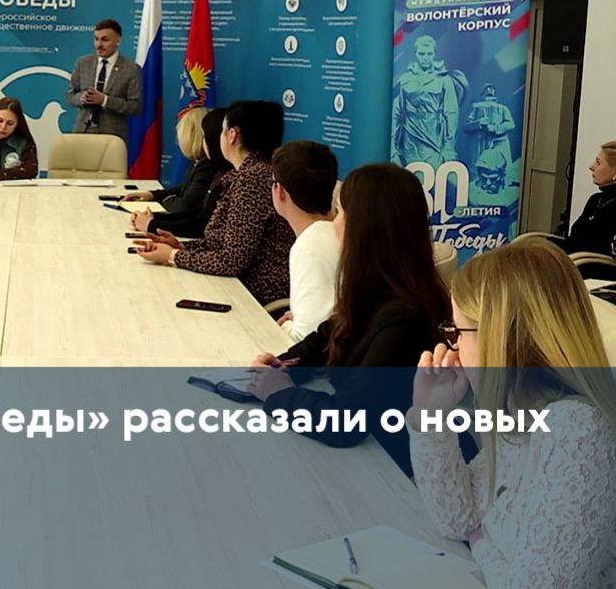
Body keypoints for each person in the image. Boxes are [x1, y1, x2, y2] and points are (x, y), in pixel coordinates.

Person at [410, 239, 616, 587]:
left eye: (459, 332)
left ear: (501, 339)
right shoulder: (519, 409)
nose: (453, 346)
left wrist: (481, 543)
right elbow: (458, 519)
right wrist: (431, 413)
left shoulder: (577, 430)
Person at [247, 163, 451, 477]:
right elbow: (327, 336)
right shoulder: (382, 290)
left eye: (340, 212)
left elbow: (345, 422)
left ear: (364, 228)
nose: (334, 222)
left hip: (393, 475)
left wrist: (279, 393)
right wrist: (282, 365)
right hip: (371, 460)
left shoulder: (405, 319)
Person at [136, 100, 293, 305]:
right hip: (236, 286)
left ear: (232, 135)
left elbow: (231, 261)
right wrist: (181, 246)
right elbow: (221, 243)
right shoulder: (248, 174)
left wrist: (173, 256)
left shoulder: (253, 180)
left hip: (252, 297)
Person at [270, 140, 340, 341]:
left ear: (280, 191)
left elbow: (305, 338)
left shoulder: (310, 247)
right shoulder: (333, 234)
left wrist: (286, 326)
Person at [126, 107, 229, 235]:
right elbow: (183, 189)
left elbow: (188, 209)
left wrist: (154, 219)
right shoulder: (199, 163)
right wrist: (152, 196)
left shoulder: (209, 166)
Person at [391, 34, 468, 168]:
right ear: (416, 54)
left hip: (434, 136)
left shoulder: (444, 79)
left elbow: (451, 112)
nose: (425, 57)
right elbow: (396, 113)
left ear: (434, 54)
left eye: (429, 54)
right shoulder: (405, 78)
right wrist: (393, 149)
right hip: (409, 138)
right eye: (422, 54)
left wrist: (448, 145)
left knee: (434, 172)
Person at [67, 19, 142, 144]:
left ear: (118, 41)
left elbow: (135, 107)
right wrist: (82, 98)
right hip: (82, 132)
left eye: (105, 40)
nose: (98, 45)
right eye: (96, 39)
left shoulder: (131, 69)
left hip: (113, 137)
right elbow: (70, 95)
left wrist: (105, 100)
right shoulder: (83, 63)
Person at [553, 141, 616, 255]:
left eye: (598, 163)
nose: (591, 167)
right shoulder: (596, 200)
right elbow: (574, 241)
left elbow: (591, 248)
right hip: (572, 258)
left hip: (584, 264)